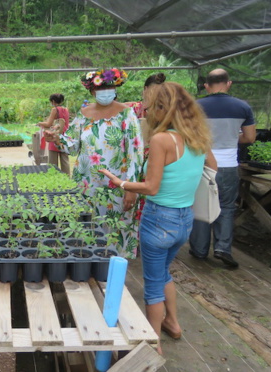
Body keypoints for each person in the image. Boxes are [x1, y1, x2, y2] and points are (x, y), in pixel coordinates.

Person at [98, 82, 217, 354]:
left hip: (159, 219)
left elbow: (151, 187)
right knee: (164, 273)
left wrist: (122, 183)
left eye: (150, 107)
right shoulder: (197, 136)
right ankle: (173, 323)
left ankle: (153, 344)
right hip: (185, 219)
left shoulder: (162, 139)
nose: (147, 112)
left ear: (163, 109)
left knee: (152, 285)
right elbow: (213, 166)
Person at [44, 68, 144, 258]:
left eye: (109, 87)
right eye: (100, 88)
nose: (105, 92)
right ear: (91, 91)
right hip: (87, 185)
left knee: (115, 230)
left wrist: (132, 188)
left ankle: (114, 271)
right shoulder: (84, 114)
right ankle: (90, 265)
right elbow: (73, 145)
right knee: (88, 228)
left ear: (116, 88)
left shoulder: (126, 115)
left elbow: (135, 152)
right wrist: (56, 138)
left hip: (117, 186)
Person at [189, 69, 256, 268]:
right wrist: (231, 138)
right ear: (229, 83)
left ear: (206, 86)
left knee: (201, 205)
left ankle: (199, 250)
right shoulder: (243, 107)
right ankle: (222, 248)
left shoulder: (196, 106)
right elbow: (250, 137)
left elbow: (188, 135)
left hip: (202, 164)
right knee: (226, 207)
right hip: (228, 166)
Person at [38, 93, 70, 174]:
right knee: (65, 161)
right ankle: (67, 179)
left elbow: (48, 124)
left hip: (55, 136)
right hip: (65, 136)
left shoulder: (54, 109)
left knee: (53, 162)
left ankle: (54, 178)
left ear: (53, 101)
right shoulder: (66, 109)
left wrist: (40, 123)